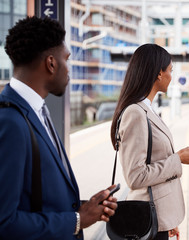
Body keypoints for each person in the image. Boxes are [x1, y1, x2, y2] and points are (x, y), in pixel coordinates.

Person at [0, 16, 117, 239]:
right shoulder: (10, 120)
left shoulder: (36, 110)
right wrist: (78, 220)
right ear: (51, 63)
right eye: (67, 60)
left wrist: (88, 208)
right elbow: (4, 222)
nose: (69, 69)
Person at [110, 43, 189, 240]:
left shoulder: (147, 110)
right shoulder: (136, 113)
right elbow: (135, 176)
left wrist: (167, 219)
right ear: (158, 74)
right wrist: (178, 159)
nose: (172, 76)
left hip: (159, 217)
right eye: (170, 70)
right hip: (148, 216)